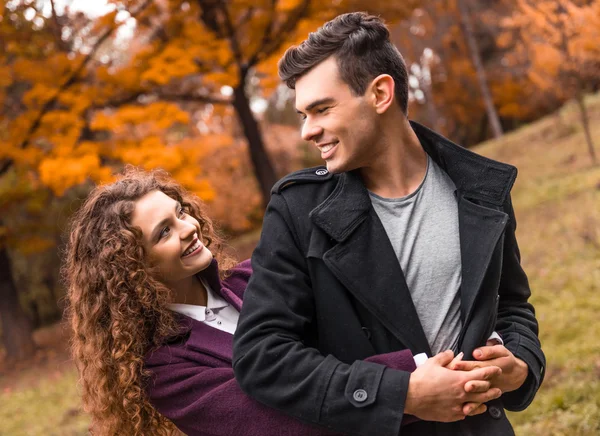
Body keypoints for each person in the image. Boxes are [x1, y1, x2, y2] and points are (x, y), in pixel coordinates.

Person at [232, 12, 545, 436]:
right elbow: (262, 356)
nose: (308, 131)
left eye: (321, 109)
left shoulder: (480, 188)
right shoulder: (296, 210)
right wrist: (400, 394)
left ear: (380, 93)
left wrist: (520, 361)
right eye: (304, 115)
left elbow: (512, 305)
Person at [64, 167, 434, 436]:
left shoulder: (253, 279)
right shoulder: (166, 372)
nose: (189, 227)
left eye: (180, 212)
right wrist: (413, 381)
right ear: (134, 269)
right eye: (165, 232)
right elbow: (293, 425)